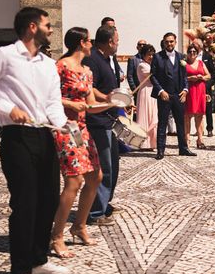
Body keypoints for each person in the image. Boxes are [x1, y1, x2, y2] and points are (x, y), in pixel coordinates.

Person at [0, 7, 70, 274]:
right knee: (25, 204)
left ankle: (38, 260)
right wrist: (8, 108)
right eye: (48, 25)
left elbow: (53, 105)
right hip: (17, 138)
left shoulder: (48, 64)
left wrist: (66, 128)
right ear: (32, 26)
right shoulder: (4, 55)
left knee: (48, 200)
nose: (51, 29)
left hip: (45, 137)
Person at [51, 27, 113, 258]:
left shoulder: (87, 71)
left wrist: (115, 103)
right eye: (89, 41)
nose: (92, 44)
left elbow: (91, 104)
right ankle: (57, 236)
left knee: (95, 176)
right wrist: (68, 103)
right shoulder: (61, 66)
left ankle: (79, 225)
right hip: (64, 127)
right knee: (74, 181)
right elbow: (46, 96)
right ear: (81, 42)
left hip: (81, 129)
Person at [83, 24, 121, 225]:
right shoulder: (93, 60)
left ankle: (104, 204)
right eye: (116, 41)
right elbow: (90, 87)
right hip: (97, 121)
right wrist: (107, 98)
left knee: (113, 165)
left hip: (108, 120)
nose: (117, 44)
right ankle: (95, 212)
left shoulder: (107, 59)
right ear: (108, 42)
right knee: (103, 168)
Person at [149, 32, 196, 160]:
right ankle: (160, 150)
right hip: (164, 95)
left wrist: (186, 90)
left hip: (179, 95)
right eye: (167, 42)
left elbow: (185, 76)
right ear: (164, 43)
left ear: (175, 42)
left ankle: (183, 148)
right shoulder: (158, 57)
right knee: (162, 123)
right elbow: (152, 76)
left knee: (180, 123)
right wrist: (160, 91)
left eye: (171, 41)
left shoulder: (181, 57)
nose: (169, 44)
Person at [184, 42, 210, 149]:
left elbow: (209, 75)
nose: (192, 53)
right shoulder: (184, 63)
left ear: (197, 52)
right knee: (187, 116)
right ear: (187, 53)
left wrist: (202, 77)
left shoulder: (201, 63)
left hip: (200, 91)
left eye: (194, 51)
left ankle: (200, 140)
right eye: (190, 51)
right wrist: (190, 78)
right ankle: (187, 140)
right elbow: (180, 78)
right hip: (189, 90)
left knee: (199, 116)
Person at [135, 44, 157, 149]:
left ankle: (153, 143)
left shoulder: (151, 65)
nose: (151, 57)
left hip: (153, 92)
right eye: (149, 55)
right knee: (145, 117)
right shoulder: (142, 65)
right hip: (145, 92)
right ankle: (144, 143)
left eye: (152, 55)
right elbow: (153, 74)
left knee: (153, 116)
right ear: (143, 55)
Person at [200, 35, 215, 137]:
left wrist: (209, 84)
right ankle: (199, 129)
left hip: (206, 86)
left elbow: (213, 72)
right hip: (195, 86)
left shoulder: (207, 56)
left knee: (208, 108)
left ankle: (209, 128)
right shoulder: (191, 56)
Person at [126, 39, 148, 107]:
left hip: (148, 90)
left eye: (143, 45)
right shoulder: (132, 59)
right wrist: (134, 89)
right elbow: (130, 76)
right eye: (140, 45)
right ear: (137, 47)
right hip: (138, 90)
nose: (141, 46)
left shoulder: (150, 58)